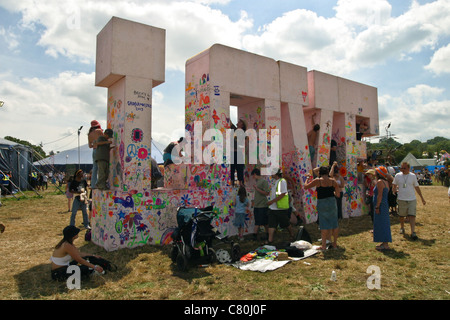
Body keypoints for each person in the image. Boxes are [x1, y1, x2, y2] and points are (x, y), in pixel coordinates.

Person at [304, 166, 340, 250]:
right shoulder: (333, 181)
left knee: (324, 224)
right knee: (334, 224)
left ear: (320, 173)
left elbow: (306, 186)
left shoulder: (318, 181)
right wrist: (332, 192)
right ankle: (334, 244)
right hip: (332, 202)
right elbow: (338, 194)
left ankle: (323, 246)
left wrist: (307, 178)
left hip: (322, 203)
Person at [392, 162, 426, 240]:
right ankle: (402, 227)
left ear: (408, 168)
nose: (402, 169)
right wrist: (394, 190)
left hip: (411, 199)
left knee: (412, 215)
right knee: (401, 215)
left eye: (404, 168)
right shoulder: (398, 176)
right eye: (401, 168)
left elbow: (417, 187)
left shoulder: (413, 176)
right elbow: (394, 184)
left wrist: (422, 198)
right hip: (401, 199)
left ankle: (413, 232)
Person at [266, 169, 295, 244]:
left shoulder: (282, 181)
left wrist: (272, 201)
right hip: (273, 208)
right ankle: (270, 240)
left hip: (280, 208)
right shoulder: (276, 182)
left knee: (285, 223)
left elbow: (283, 194)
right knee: (271, 224)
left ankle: (292, 235)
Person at [373, 166, 392, 251]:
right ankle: (384, 242)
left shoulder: (380, 182)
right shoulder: (386, 182)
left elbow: (379, 195)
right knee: (383, 222)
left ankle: (385, 244)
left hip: (381, 205)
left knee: (382, 223)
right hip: (384, 204)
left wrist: (377, 206)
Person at [251, 168, 269, 241]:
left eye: (253, 175)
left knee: (264, 221)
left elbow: (267, 193)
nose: (253, 177)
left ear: (255, 174)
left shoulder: (263, 181)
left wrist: (257, 189)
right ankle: (255, 236)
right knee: (258, 221)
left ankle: (267, 234)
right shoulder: (257, 181)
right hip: (257, 205)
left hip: (263, 205)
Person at [230, 119, 247, 187]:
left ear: (242, 125)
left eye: (240, 122)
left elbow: (244, 143)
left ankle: (241, 184)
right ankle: (232, 183)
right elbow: (230, 122)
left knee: (240, 169)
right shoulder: (234, 129)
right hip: (233, 152)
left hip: (238, 153)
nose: (238, 122)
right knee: (232, 168)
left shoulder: (243, 132)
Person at [88, 120, 104, 189]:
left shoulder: (89, 134)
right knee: (101, 167)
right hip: (100, 150)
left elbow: (90, 146)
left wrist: (94, 143)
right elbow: (104, 140)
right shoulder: (99, 131)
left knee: (94, 168)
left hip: (94, 151)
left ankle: (93, 184)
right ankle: (100, 184)